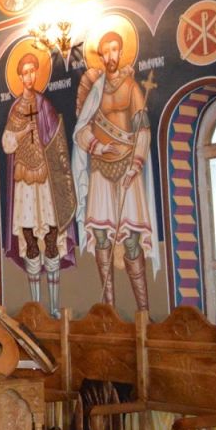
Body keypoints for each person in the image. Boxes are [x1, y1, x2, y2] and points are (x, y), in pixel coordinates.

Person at [72, 30, 156, 311]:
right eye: (105, 51)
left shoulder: (131, 87)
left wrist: (136, 164)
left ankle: (143, 311)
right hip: (100, 168)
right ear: (101, 56)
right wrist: (98, 147)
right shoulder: (95, 91)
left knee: (131, 239)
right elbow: (81, 131)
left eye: (114, 50)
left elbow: (143, 130)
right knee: (100, 236)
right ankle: (110, 312)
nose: (110, 56)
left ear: (121, 52)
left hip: (128, 168)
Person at [1, 51, 76, 315]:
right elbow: (7, 143)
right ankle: (35, 308)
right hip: (24, 183)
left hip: (45, 183)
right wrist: (22, 131)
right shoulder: (15, 109)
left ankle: (53, 308)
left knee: (52, 237)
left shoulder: (45, 106)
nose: (30, 76)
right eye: (25, 72)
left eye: (34, 71)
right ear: (20, 77)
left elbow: (56, 141)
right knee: (30, 239)